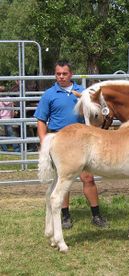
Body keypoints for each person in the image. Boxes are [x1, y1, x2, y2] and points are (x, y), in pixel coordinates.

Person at [34, 60, 107, 229]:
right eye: (58, 74)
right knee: (63, 179)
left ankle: (96, 214)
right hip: (60, 143)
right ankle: (65, 216)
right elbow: (41, 120)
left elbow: (96, 114)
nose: (61, 77)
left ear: (71, 74)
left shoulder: (83, 92)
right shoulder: (49, 95)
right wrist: (44, 141)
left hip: (82, 142)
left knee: (88, 178)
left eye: (64, 73)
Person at [0, 85, 20, 152]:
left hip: (2, 119)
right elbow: (12, 110)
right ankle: (16, 148)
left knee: (2, 135)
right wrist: (11, 117)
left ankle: (4, 149)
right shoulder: (10, 100)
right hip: (9, 118)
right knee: (11, 134)